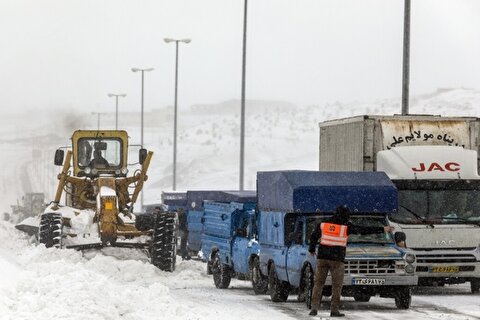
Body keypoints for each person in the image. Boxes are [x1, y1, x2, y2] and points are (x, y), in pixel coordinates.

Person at [308, 205, 394, 317]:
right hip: (337, 260)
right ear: (345, 215)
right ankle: (334, 310)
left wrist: (312, 249)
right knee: (336, 286)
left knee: (318, 284)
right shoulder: (346, 226)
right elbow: (363, 230)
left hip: (322, 258)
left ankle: (314, 308)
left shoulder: (323, 224)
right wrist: (382, 229)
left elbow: (314, 236)